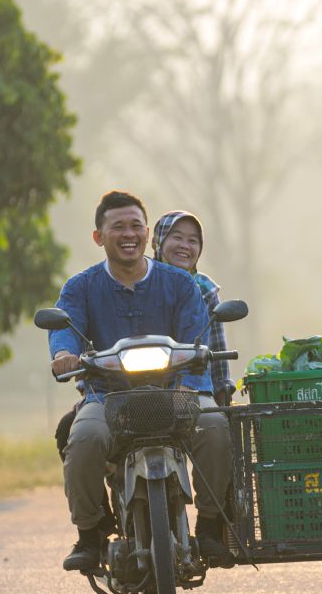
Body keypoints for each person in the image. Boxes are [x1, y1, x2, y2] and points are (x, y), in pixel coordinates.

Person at [48, 190, 233, 571]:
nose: (128, 234)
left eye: (136, 226)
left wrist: (188, 381)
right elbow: (64, 329)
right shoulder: (80, 287)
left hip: (176, 393)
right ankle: (90, 532)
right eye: (118, 227)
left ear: (148, 234)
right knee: (82, 438)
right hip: (107, 397)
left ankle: (212, 526)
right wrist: (62, 356)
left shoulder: (180, 285)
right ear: (99, 236)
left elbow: (196, 336)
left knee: (216, 426)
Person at [151, 210, 236, 407]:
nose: (185, 246)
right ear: (157, 241)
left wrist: (222, 391)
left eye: (193, 240)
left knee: (214, 425)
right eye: (177, 237)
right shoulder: (141, 281)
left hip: (195, 385)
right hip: (137, 386)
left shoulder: (205, 288)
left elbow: (216, 346)